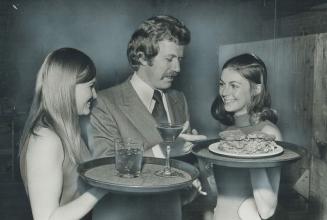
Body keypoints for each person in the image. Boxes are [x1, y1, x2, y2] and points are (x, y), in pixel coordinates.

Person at [88, 15, 206, 220]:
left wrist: (190, 172)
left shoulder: (179, 99)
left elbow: (182, 165)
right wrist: (165, 149)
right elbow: (104, 171)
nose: (177, 69)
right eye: (169, 59)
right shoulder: (104, 102)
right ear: (142, 57)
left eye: (179, 59)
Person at [19, 48, 107, 220]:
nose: (94, 94)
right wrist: (103, 188)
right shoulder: (46, 139)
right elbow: (45, 218)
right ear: (68, 87)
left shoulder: (66, 130)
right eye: (91, 86)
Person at [211, 53, 282, 220]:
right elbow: (224, 195)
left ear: (257, 89)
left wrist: (251, 149)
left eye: (234, 85)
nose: (224, 92)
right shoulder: (229, 130)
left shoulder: (269, 133)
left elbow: (267, 210)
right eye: (222, 84)